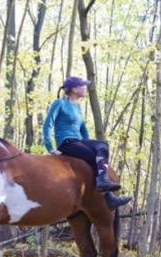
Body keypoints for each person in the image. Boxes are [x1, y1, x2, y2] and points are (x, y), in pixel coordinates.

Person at [43, 76, 131, 209]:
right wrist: (50, 147)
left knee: (103, 145)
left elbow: (83, 130)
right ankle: (108, 194)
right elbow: (47, 124)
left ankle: (104, 185)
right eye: (82, 85)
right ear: (73, 89)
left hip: (78, 142)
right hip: (66, 142)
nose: (85, 88)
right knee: (92, 155)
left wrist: (88, 144)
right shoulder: (59, 103)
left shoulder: (77, 107)